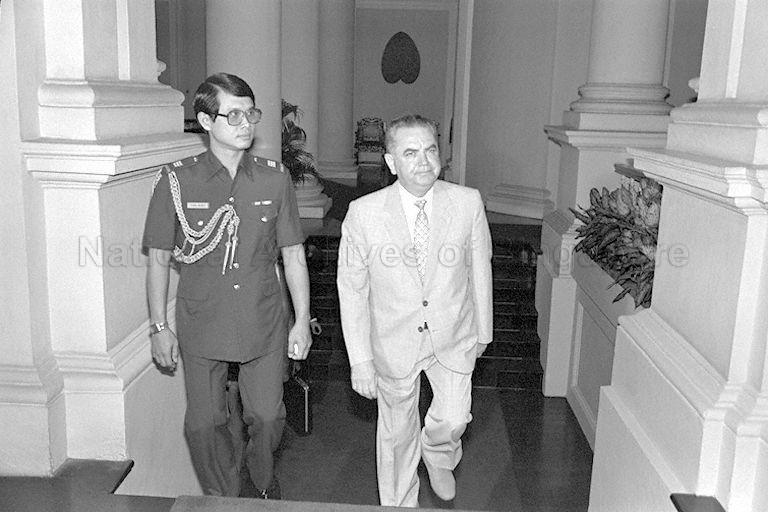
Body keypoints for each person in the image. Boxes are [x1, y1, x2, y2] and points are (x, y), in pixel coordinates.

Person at [142, 73, 311, 499]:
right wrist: (159, 328)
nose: (245, 123)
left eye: (250, 113)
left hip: (264, 317)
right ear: (205, 120)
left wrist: (302, 321)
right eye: (232, 114)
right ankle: (226, 498)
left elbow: (292, 254)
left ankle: (259, 480)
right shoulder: (177, 181)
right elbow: (159, 258)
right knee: (203, 424)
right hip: (203, 319)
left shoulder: (275, 179)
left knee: (269, 419)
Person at [336, 114, 493, 507]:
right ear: (391, 162)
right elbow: (352, 291)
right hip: (392, 340)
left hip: (454, 332)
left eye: (430, 150)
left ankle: (439, 454)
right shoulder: (363, 213)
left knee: (455, 417)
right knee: (396, 434)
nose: (424, 161)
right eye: (410, 153)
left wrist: (484, 332)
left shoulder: (467, 202)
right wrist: (360, 360)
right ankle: (399, 504)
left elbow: (480, 268)